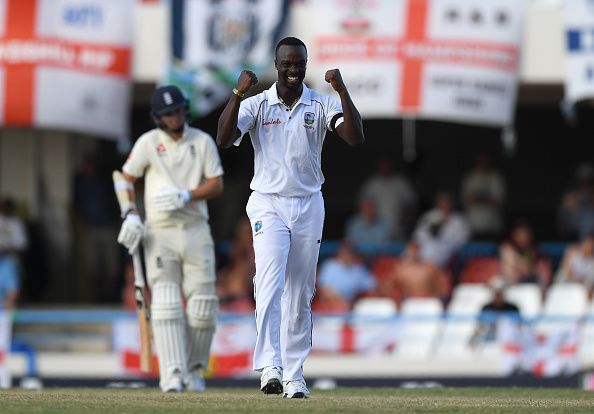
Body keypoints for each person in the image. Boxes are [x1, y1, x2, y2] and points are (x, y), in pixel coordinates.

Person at [216, 36, 364, 398]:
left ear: (306, 64)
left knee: (300, 291)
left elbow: (355, 137)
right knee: (269, 282)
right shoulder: (258, 104)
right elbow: (223, 138)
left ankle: (295, 375)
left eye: (299, 63)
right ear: (277, 64)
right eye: (287, 63)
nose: (293, 69)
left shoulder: (321, 102)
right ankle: (271, 365)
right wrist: (236, 94)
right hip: (267, 202)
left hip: (309, 203)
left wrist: (342, 89)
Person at [116, 85, 224, 393]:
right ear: (157, 117)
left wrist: (186, 195)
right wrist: (130, 214)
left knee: (203, 305)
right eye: (167, 114)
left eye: (177, 111)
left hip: (195, 229)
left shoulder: (201, 141)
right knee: (164, 303)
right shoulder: (148, 143)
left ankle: (193, 370)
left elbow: (216, 184)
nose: (174, 118)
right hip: (159, 232)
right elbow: (125, 179)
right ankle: (172, 373)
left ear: (184, 110)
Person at [358, 157, 417, 241]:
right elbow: (363, 203)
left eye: (387, 165)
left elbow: (412, 202)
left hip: (398, 225)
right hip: (377, 227)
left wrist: (409, 221)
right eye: (383, 166)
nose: (385, 168)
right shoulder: (372, 183)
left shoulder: (400, 182)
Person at [378, 241, 449, 305]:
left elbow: (443, 289)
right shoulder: (401, 270)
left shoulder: (430, 268)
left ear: (421, 251)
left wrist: (435, 298)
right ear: (407, 252)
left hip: (429, 303)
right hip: (409, 304)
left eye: (416, 250)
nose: (414, 253)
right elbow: (386, 287)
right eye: (412, 250)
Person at [315, 240, 376, 312]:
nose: (347, 255)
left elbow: (372, 286)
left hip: (351, 307)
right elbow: (324, 290)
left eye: (350, 253)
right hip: (330, 305)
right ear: (340, 253)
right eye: (345, 252)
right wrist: (341, 301)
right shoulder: (330, 266)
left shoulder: (358, 269)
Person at [412, 192, 470, 268]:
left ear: (451, 204)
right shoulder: (430, 216)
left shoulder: (458, 220)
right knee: (411, 251)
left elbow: (462, 239)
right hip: (426, 245)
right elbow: (419, 234)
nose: (444, 205)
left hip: (447, 249)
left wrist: (444, 231)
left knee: (433, 251)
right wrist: (433, 232)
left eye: (446, 202)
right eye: (441, 202)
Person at [461, 154, 506, 240]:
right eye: (481, 162)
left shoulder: (496, 178)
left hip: (493, 225)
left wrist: (479, 199)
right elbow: (468, 199)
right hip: (474, 225)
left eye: (485, 162)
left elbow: (499, 200)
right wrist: (486, 199)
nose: (483, 164)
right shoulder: (470, 178)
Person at [471, 277, 520, 346]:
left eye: (500, 292)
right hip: (489, 342)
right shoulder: (486, 308)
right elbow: (479, 327)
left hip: (509, 343)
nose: (498, 295)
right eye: (495, 292)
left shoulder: (513, 308)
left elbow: (519, 327)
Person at [499, 220, 549, 286]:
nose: (524, 237)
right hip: (509, 285)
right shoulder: (507, 248)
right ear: (514, 235)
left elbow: (528, 269)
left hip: (528, 285)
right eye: (520, 234)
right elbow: (513, 274)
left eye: (526, 234)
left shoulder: (531, 250)